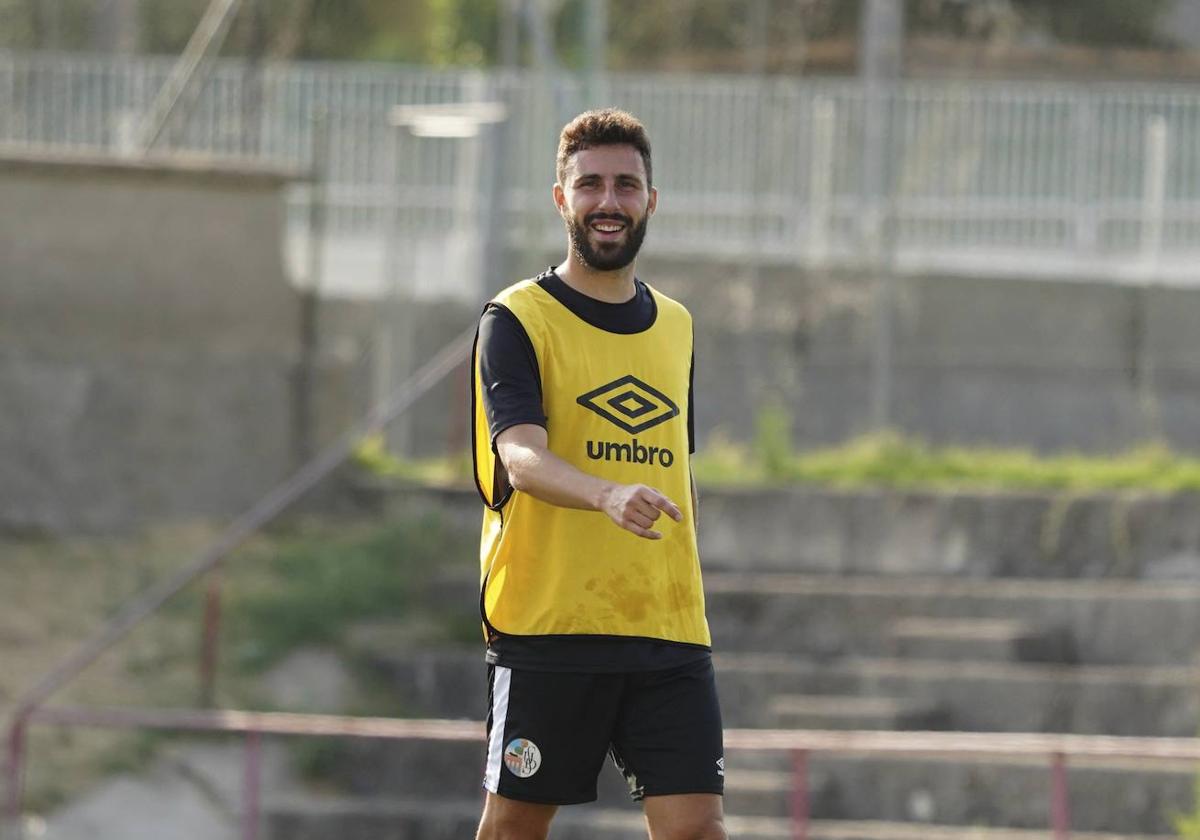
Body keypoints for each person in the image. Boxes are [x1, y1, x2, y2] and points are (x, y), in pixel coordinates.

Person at [470, 108, 726, 840]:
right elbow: (518, 456)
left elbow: (681, 468)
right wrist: (606, 494)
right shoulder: (518, 318)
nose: (608, 202)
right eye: (590, 185)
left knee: (698, 829)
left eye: (626, 185)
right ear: (562, 199)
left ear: (651, 200)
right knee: (516, 826)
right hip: (551, 623)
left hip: (667, 627)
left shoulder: (676, 325)